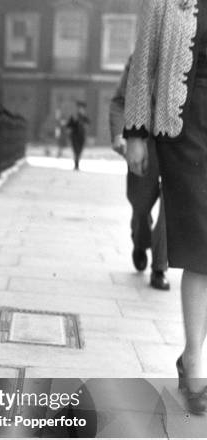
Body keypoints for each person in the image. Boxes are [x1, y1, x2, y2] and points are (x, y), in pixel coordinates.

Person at [124, 0, 207, 414]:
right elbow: (145, 64)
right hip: (186, 128)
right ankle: (194, 360)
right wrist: (136, 132)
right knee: (200, 245)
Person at [109, 56, 170, 291]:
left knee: (170, 204)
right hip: (143, 142)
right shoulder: (142, 57)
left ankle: (159, 267)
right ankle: (140, 239)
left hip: (179, 144)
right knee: (141, 204)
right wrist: (118, 136)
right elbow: (119, 102)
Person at [66, 101, 89, 170]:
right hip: (74, 136)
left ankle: (77, 164)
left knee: (79, 151)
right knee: (76, 151)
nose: (81, 110)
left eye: (82, 109)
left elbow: (88, 124)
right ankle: (76, 165)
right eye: (80, 108)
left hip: (81, 137)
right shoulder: (73, 117)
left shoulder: (84, 117)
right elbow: (68, 126)